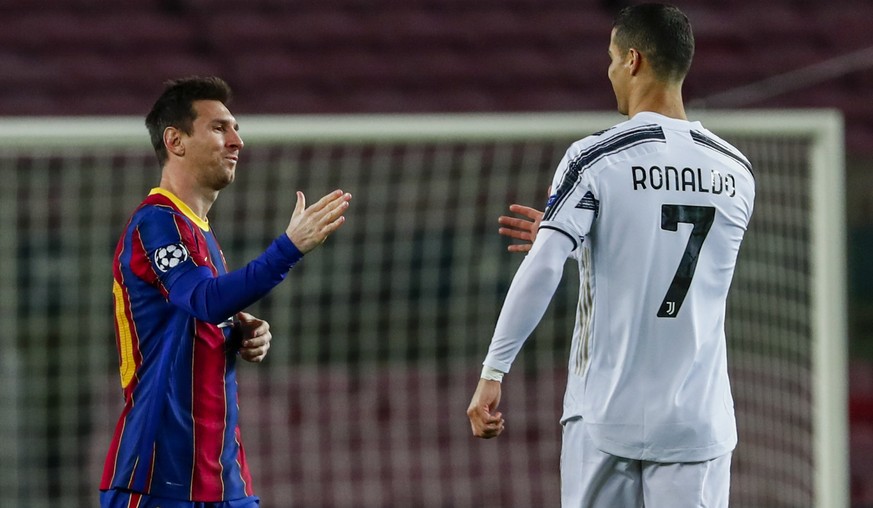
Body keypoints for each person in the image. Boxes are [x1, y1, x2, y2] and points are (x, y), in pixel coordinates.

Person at [467, 4, 755, 507]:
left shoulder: (596, 157)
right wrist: (592, 242)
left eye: (611, 57)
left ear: (633, 61)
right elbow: (678, 265)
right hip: (697, 420)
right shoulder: (735, 171)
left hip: (605, 411)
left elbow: (542, 267)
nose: (608, 71)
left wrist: (494, 370)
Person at [99, 76, 352, 508]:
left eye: (235, 128)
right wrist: (288, 248)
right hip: (158, 477)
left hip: (223, 479)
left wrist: (235, 331)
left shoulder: (203, 237)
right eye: (219, 128)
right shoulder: (156, 223)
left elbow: (199, 312)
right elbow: (204, 299)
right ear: (175, 141)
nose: (237, 141)